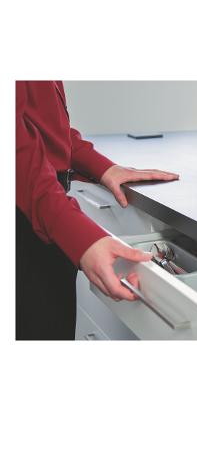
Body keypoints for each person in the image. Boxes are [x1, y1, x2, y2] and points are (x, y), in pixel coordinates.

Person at [16, 81, 179, 340]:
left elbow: (42, 128)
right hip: (27, 214)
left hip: (44, 207)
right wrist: (79, 236)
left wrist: (102, 167)